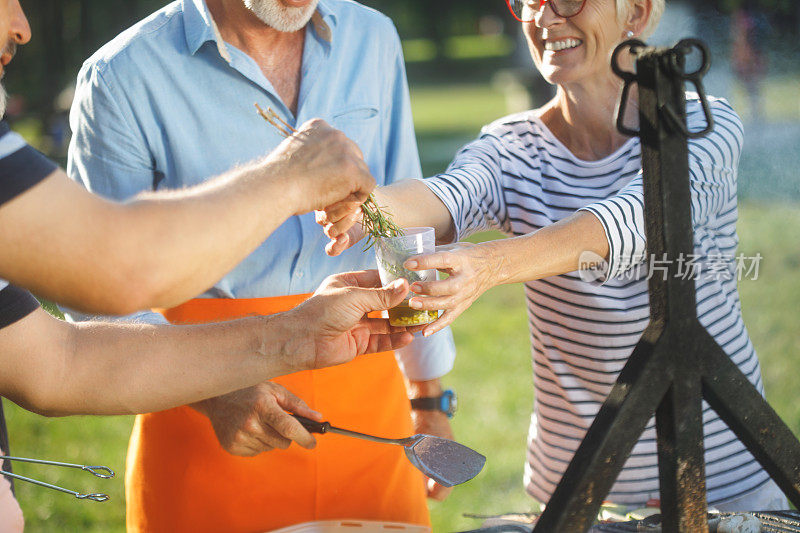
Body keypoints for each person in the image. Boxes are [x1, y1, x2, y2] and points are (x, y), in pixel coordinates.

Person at [320, 0, 787, 513]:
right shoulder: (512, 146)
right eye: (529, 1)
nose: (543, 18)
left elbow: (638, 219)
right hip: (575, 490)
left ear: (637, 12)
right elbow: (448, 195)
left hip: (724, 480)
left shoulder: (703, 125)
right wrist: (369, 204)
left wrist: (492, 265)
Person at [0, 1, 413, 530]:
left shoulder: (374, 36)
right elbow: (96, 282)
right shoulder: (121, 73)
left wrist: (429, 390)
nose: (24, 27)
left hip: (366, 389)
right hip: (194, 406)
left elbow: (57, 364)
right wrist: (214, 393)